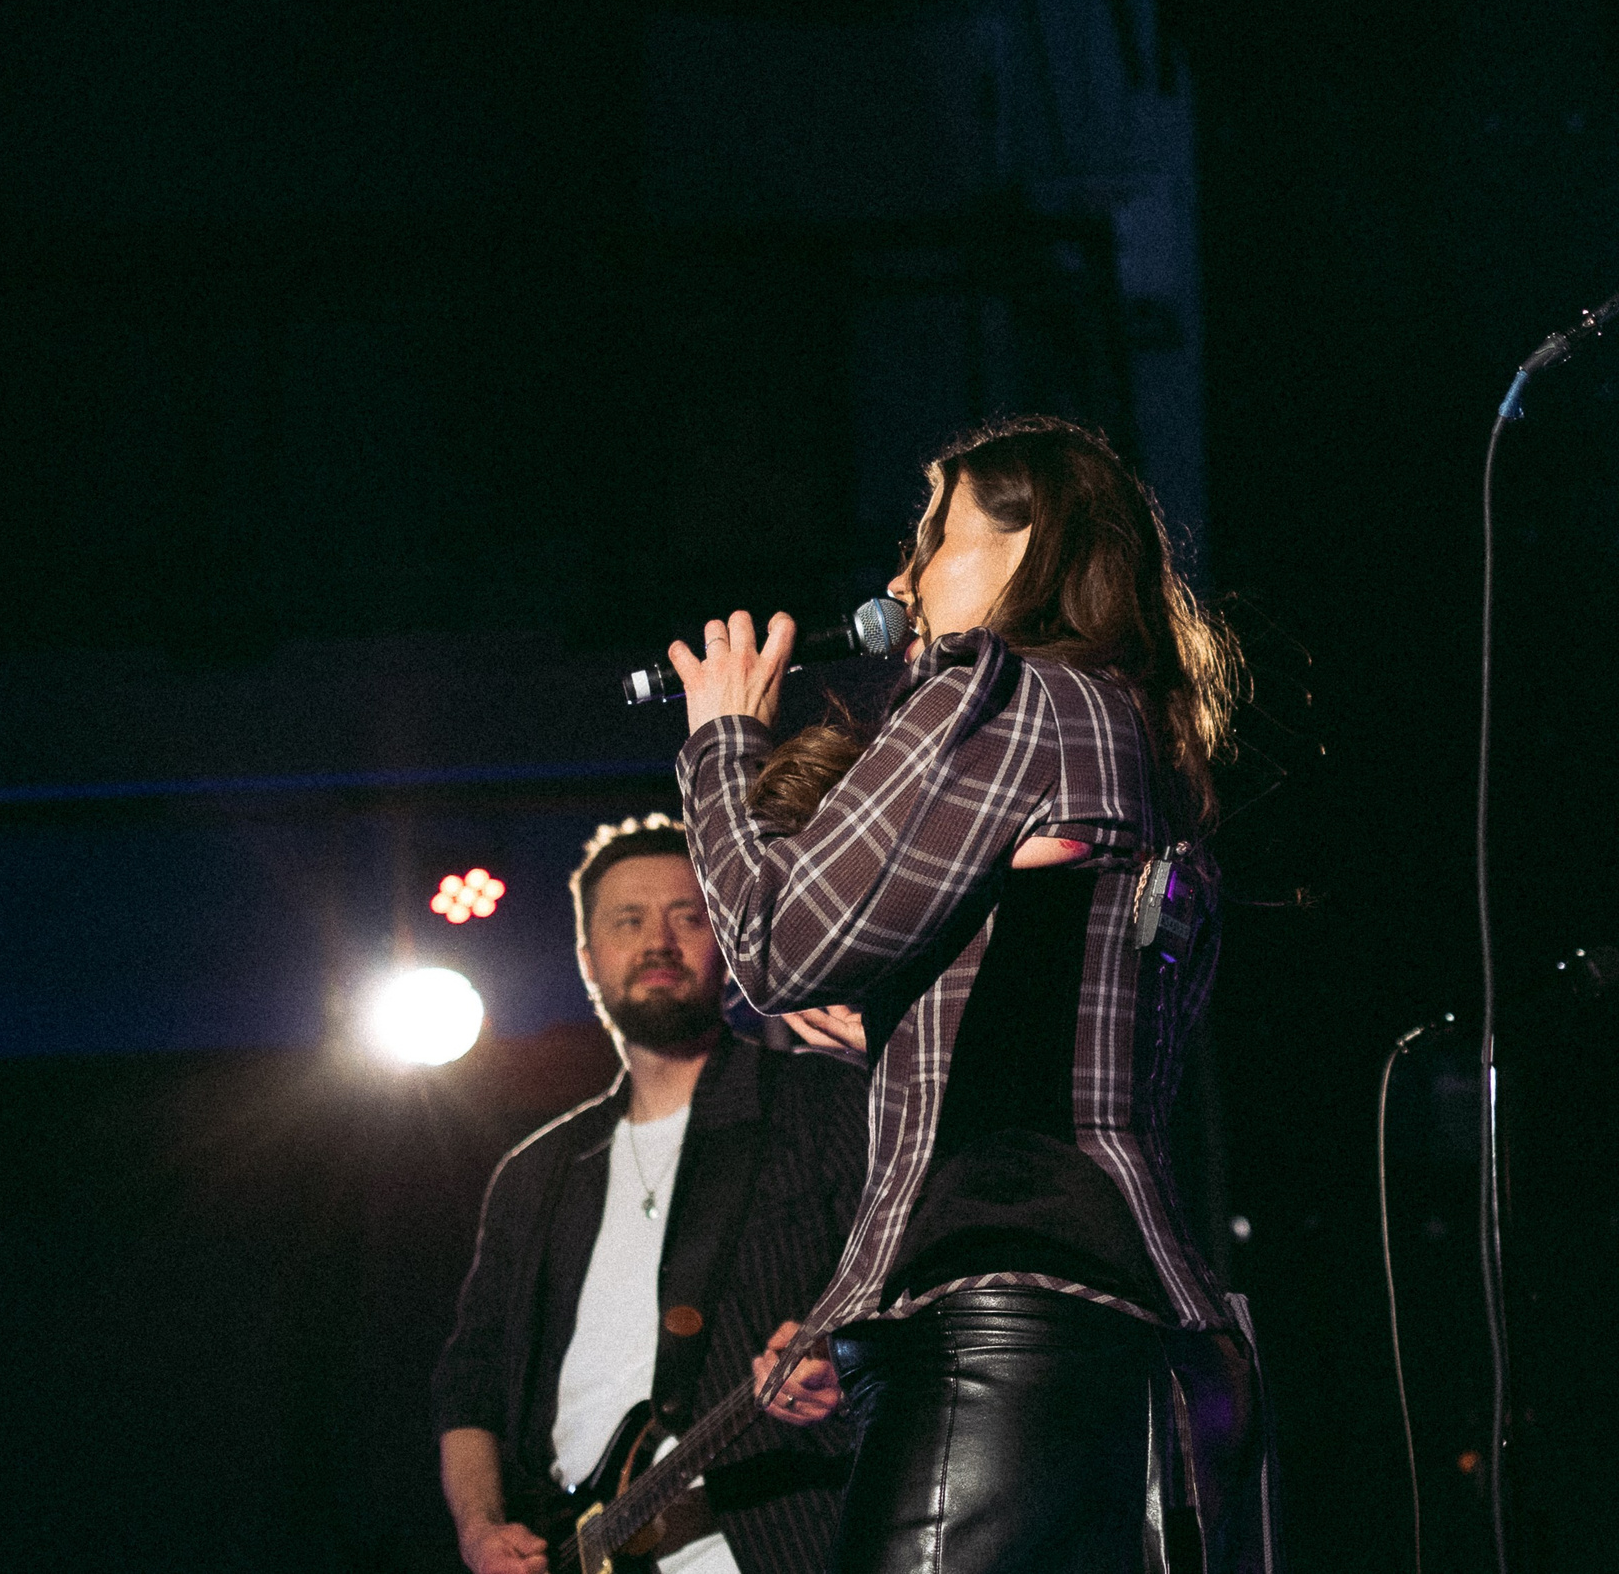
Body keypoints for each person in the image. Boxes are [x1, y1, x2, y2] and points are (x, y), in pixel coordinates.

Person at [667, 416, 1270, 1574]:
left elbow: (774, 945)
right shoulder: (1124, 725)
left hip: (1006, 1294)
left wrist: (723, 744)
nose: (900, 581)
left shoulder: (1008, 692)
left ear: (1031, 544)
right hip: (1107, 1309)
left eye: (932, 539)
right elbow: (1031, 1015)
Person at [433, 816, 872, 1574]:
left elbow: (916, 1283)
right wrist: (480, 1529)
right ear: (587, 960)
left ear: (729, 945)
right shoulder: (535, 1173)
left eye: (689, 917)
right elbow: (471, 1384)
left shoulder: (818, 1099)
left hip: (774, 1538)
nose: (659, 941)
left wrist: (848, 1358)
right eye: (628, 921)